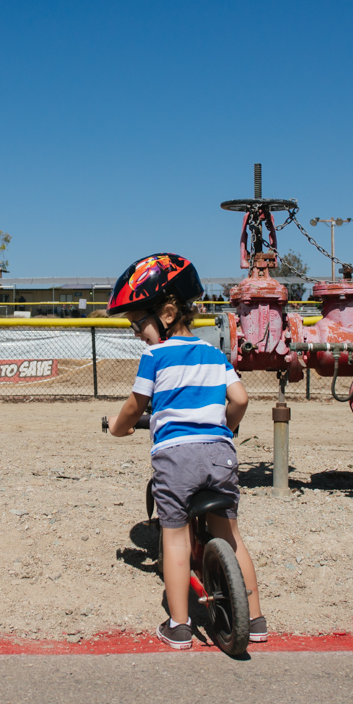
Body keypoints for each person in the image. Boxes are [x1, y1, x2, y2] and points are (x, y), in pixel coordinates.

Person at [105, 253, 267, 648]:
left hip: (176, 458)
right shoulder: (215, 355)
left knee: (174, 537)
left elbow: (135, 406)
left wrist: (118, 428)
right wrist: (221, 430)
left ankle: (179, 626)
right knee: (230, 536)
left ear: (166, 312)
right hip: (220, 453)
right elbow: (241, 400)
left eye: (137, 322)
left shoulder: (155, 356)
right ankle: (258, 620)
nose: (136, 332)